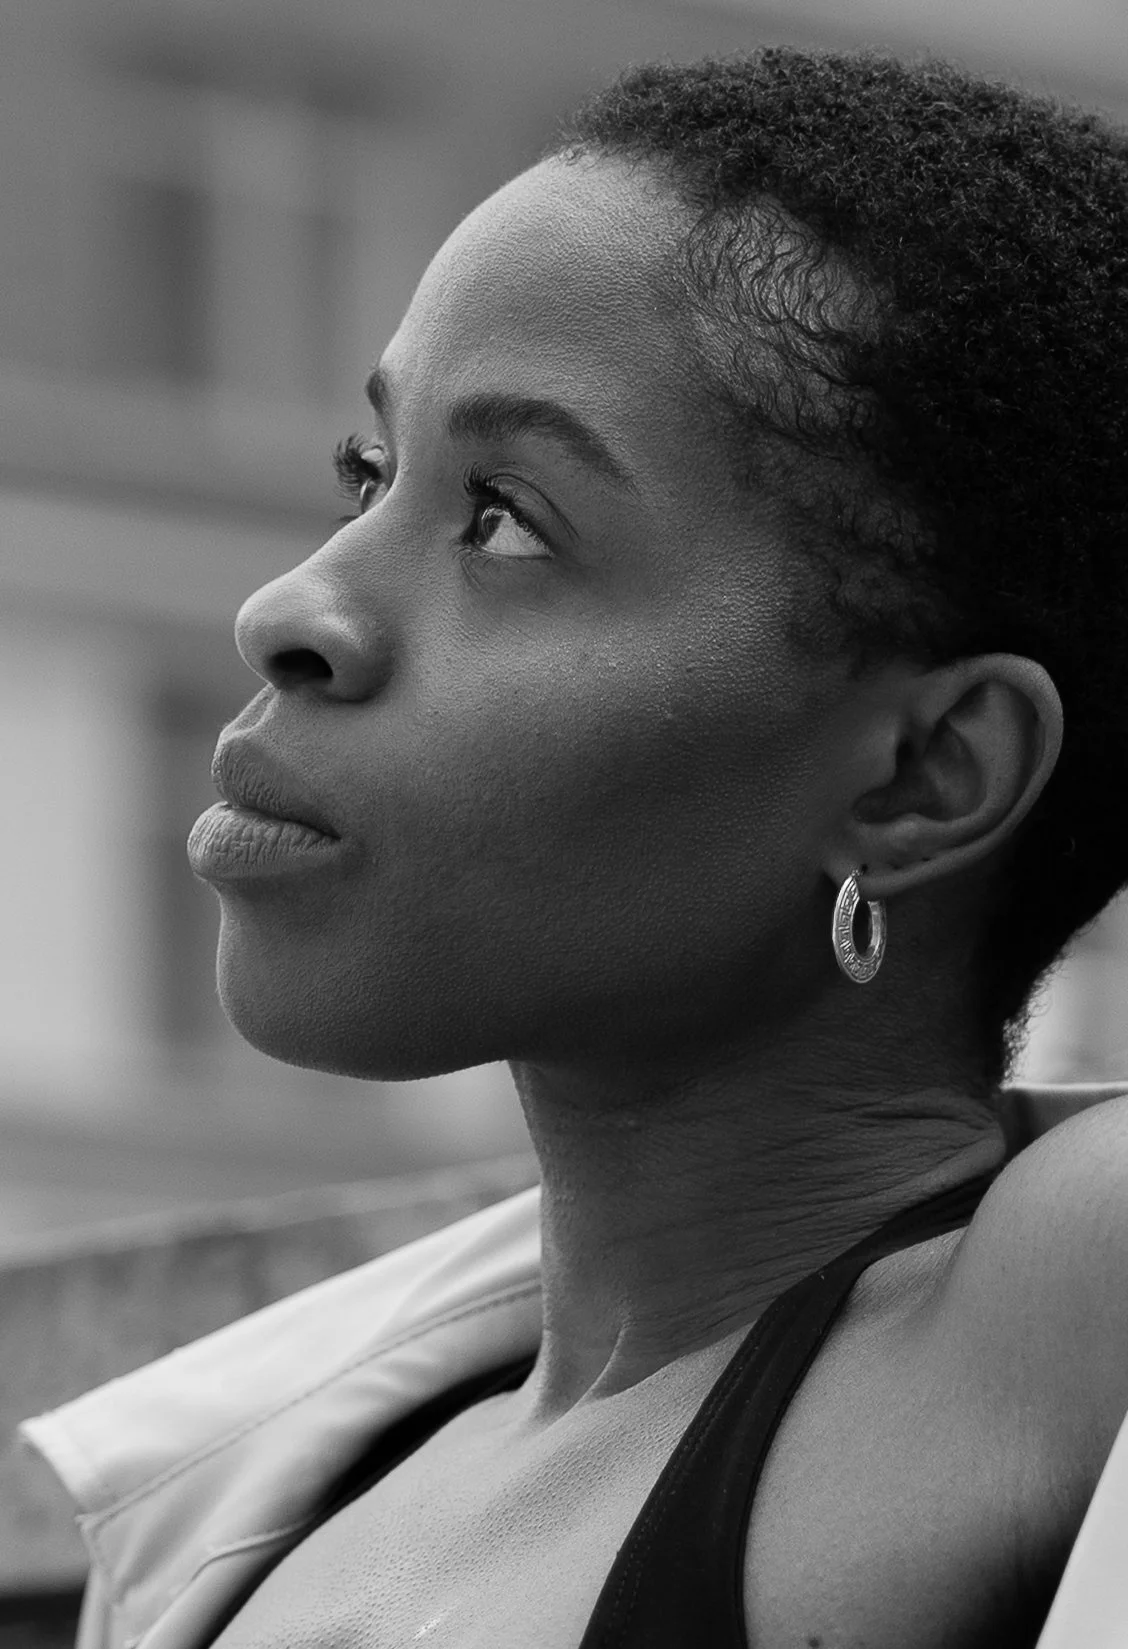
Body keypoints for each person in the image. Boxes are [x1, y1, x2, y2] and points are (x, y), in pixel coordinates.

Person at [21, 45, 1128, 1649]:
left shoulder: (1041, 1316)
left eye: (507, 522)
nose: (290, 612)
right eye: (371, 472)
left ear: (925, 773)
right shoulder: (247, 1516)